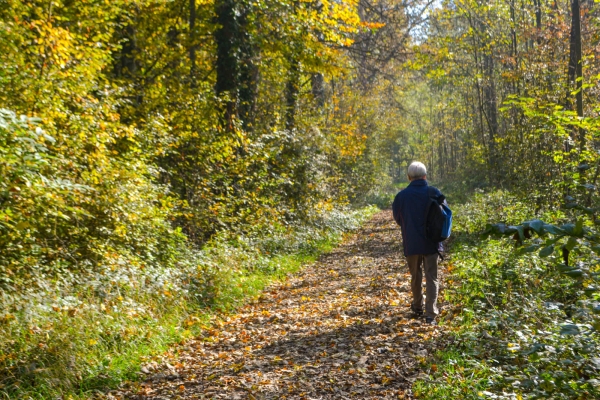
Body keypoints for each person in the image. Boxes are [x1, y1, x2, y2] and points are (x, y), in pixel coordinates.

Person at [391, 161, 446, 325]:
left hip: (411, 243)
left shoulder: (401, 197)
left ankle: (417, 306)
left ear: (409, 177)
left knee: (416, 276)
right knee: (432, 277)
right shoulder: (434, 192)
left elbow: (398, 219)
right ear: (425, 176)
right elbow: (443, 217)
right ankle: (431, 313)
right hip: (432, 243)